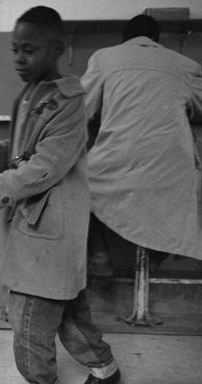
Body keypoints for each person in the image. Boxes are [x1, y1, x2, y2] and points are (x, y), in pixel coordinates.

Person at [0, 6, 120, 384]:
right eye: (14, 49)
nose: (18, 58)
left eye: (28, 50)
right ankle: (105, 370)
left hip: (49, 231)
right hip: (40, 231)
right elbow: (25, 148)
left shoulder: (68, 101)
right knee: (70, 312)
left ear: (57, 49)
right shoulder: (30, 95)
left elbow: (44, 167)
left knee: (30, 324)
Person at [81, 14, 202, 277]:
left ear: (124, 39)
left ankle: (99, 256)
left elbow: (81, 110)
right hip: (170, 167)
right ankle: (151, 265)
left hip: (117, 159)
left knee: (78, 188)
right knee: (179, 210)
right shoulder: (184, 65)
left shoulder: (104, 58)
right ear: (156, 41)